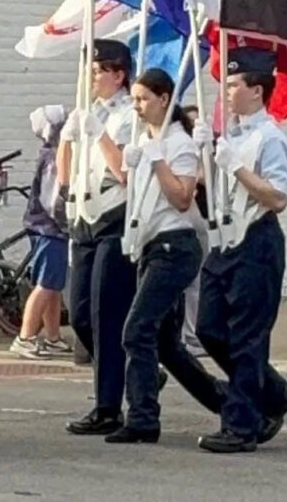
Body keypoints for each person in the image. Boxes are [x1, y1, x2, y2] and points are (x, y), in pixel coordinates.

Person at [106, 68, 224, 444]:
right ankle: (231, 401)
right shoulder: (148, 139)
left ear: (164, 99)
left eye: (143, 98)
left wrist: (157, 161)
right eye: (135, 99)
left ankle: (142, 418)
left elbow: (182, 197)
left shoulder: (179, 144)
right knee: (165, 344)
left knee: (136, 330)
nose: (137, 106)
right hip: (151, 245)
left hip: (175, 245)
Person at [194, 48, 287, 454]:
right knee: (209, 329)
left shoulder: (270, 138)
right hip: (225, 240)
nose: (226, 90)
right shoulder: (232, 137)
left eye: (235, 84)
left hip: (256, 240)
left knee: (246, 338)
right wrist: (206, 156)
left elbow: (276, 198)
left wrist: (235, 165)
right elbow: (217, 192)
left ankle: (241, 426)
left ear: (257, 90)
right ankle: (274, 393)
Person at [60, 40, 140, 435]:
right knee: (78, 313)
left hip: (114, 216)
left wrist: (100, 135)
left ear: (118, 74)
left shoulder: (129, 116)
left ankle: (109, 404)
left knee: (105, 314)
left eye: (97, 71)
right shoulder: (86, 111)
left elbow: (125, 171)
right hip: (85, 217)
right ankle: (129, 371)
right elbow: (71, 161)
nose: (90, 78)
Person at [10, 105, 72, 360]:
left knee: (53, 285)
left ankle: (53, 336)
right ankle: (25, 337)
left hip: (42, 227)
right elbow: (52, 199)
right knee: (46, 284)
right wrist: (67, 223)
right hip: (50, 229)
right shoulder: (55, 157)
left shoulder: (50, 152)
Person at [181, 104, 209, 358]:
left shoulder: (206, 150)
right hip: (189, 216)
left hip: (208, 218)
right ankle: (189, 335)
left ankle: (194, 332)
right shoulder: (183, 151)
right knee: (192, 282)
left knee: (199, 280)